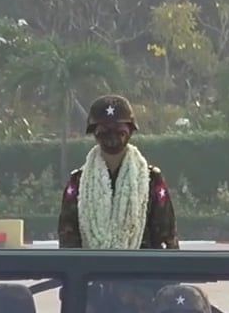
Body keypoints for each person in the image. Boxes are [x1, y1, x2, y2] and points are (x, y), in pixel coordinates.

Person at [57, 94, 179, 250]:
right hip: (90, 266)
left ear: (130, 131)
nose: (112, 135)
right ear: (95, 132)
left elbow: (166, 238)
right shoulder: (78, 182)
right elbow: (68, 241)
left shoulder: (151, 180)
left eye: (119, 130)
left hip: (142, 265)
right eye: (105, 130)